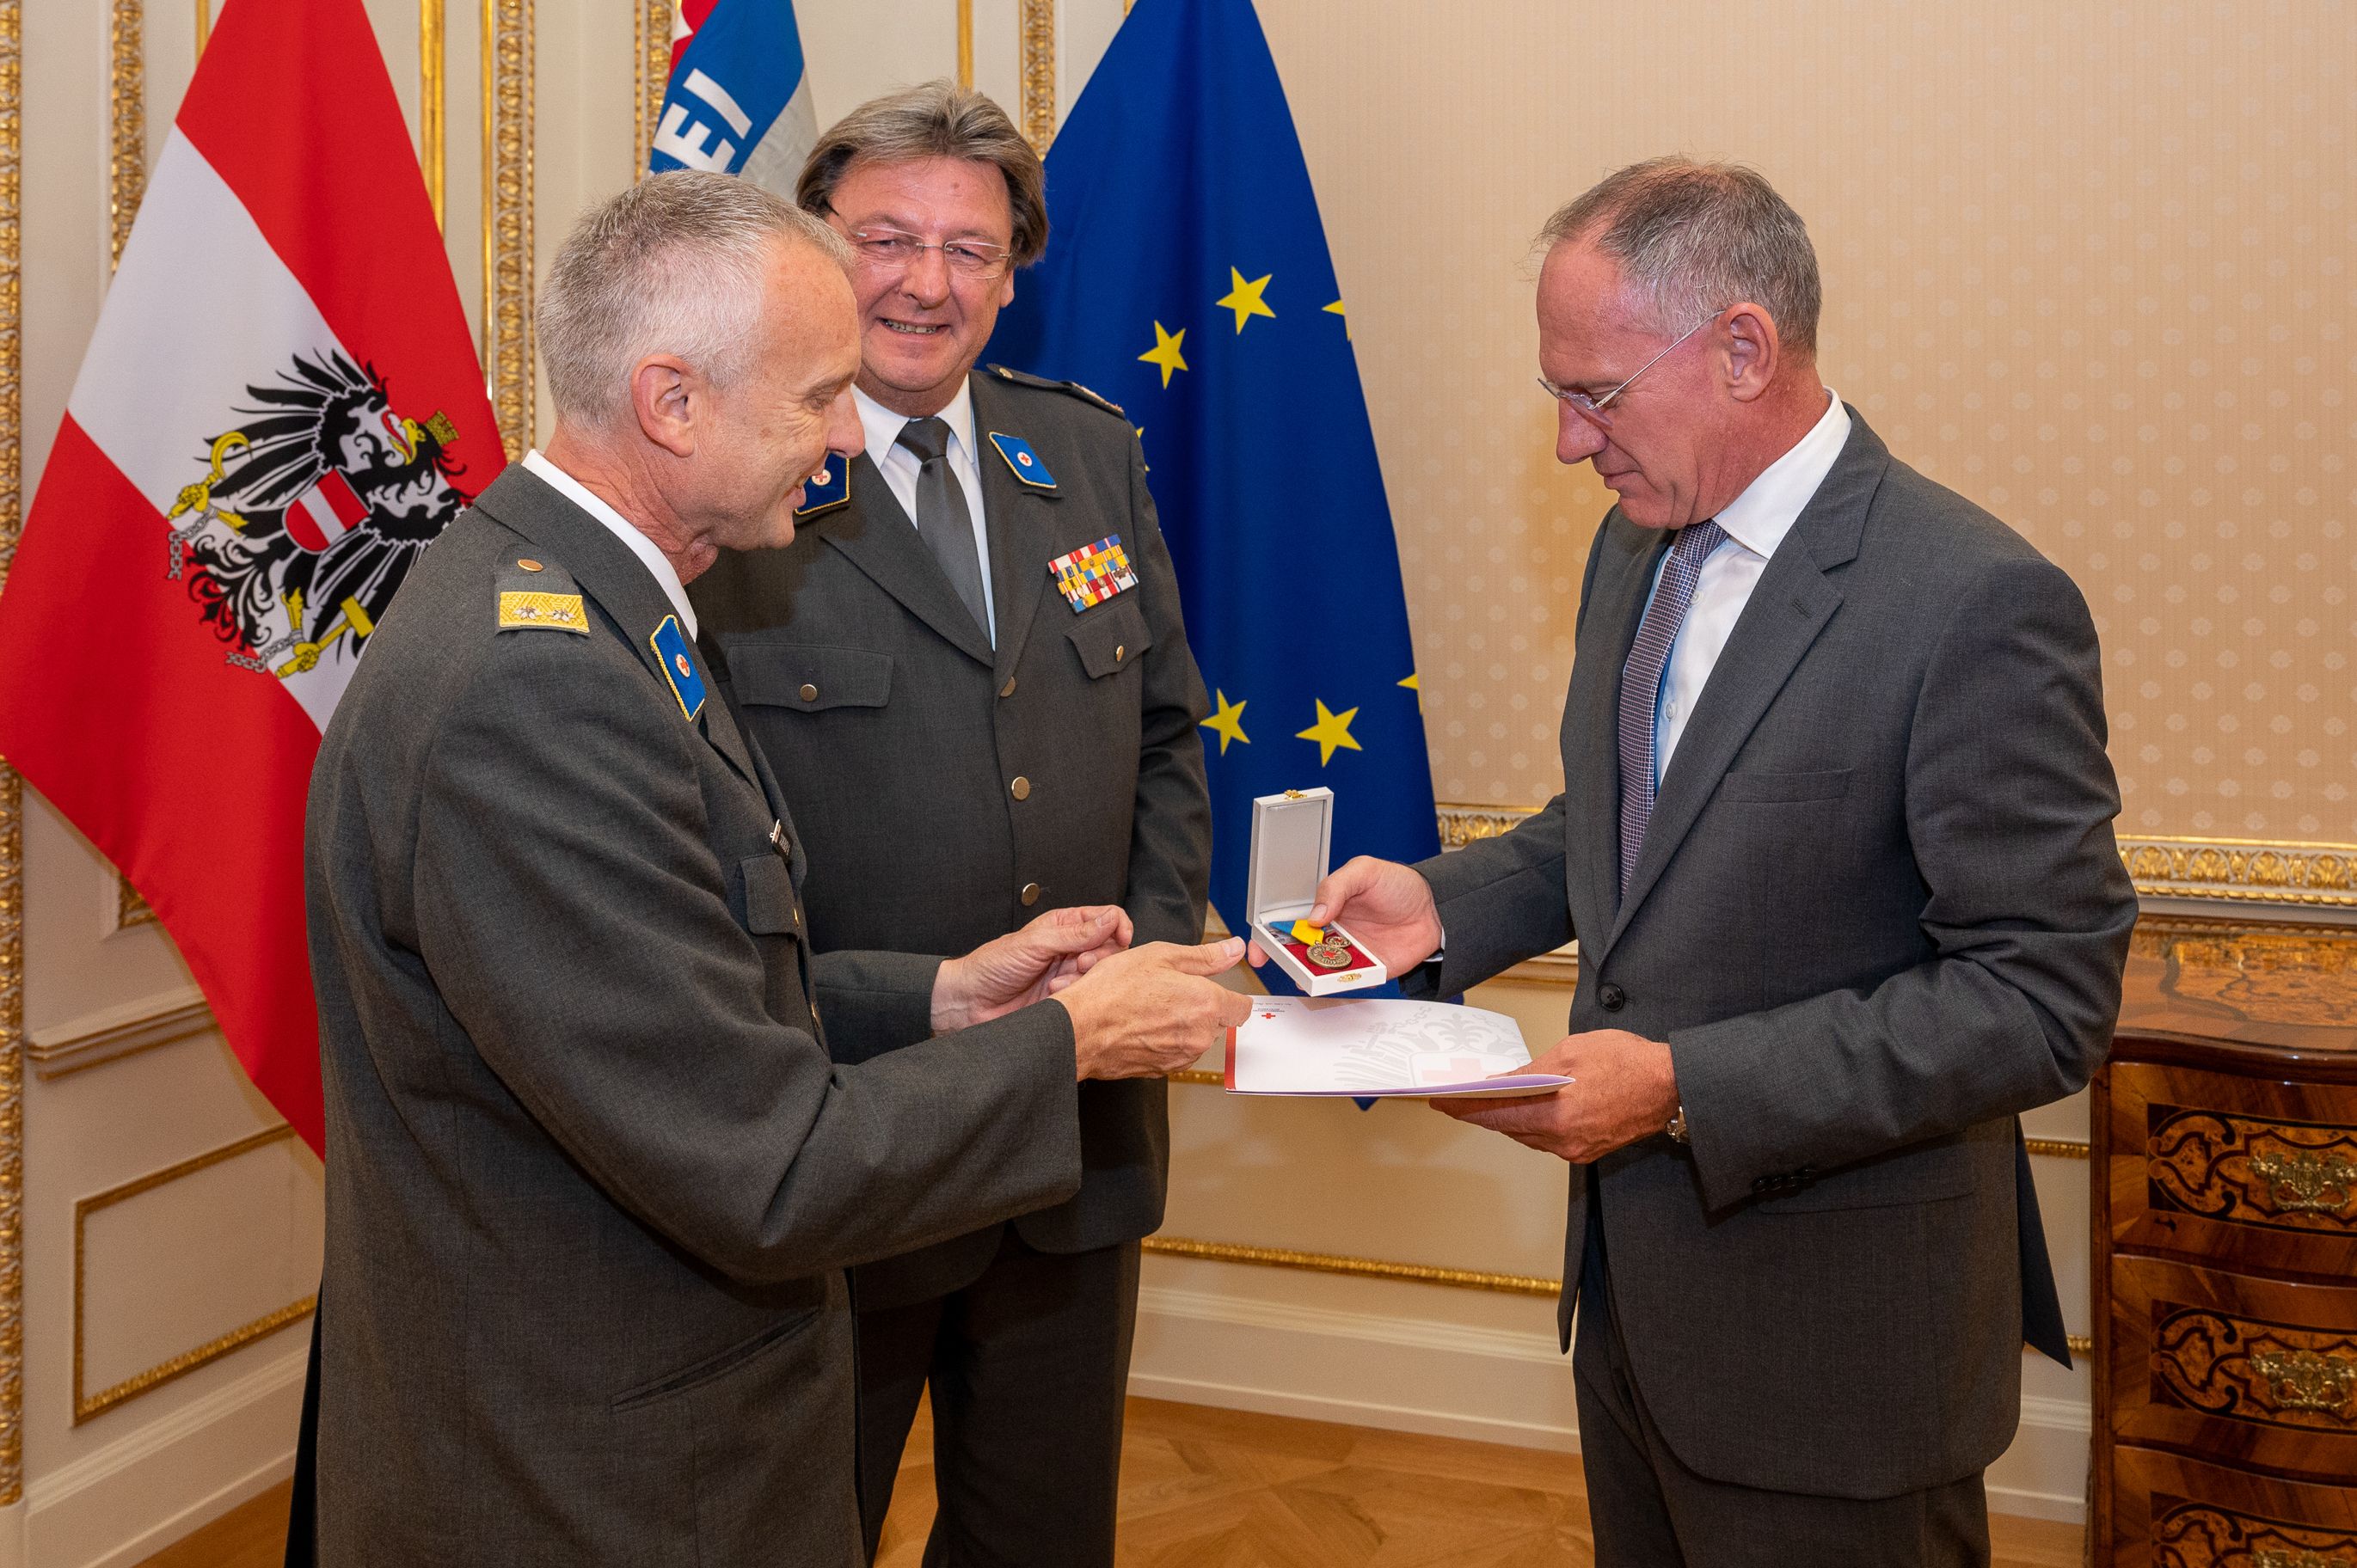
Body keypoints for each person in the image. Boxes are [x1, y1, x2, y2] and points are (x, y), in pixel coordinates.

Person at [303, 169, 1249, 1565]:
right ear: (672, 402)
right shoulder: (538, 693)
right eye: (816, 400)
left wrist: (941, 1001)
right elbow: (765, 1166)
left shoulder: (604, 610)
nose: (846, 446)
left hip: (655, 1429)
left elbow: (689, 998)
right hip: (598, 1474)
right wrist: (1066, 1039)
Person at [1258, 159, 2137, 1566]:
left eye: (1592, 393)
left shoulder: (1971, 600)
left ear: (1741, 347)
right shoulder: (1638, 546)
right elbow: (1629, 830)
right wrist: (1443, 902)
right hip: (1630, 1312)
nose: (1563, 442)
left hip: (1836, 1354)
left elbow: (2039, 999)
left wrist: (1680, 1090)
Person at [690, 83, 1211, 1567]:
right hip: (851, 1130)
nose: (927, 282)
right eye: (886, 239)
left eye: (970, 250)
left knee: (1042, 1534)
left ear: (1014, 270)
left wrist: (1149, 966)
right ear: (812, 251)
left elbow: (1166, 732)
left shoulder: (1084, 456)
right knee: (803, 1528)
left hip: (1077, 1129)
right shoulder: (736, 484)